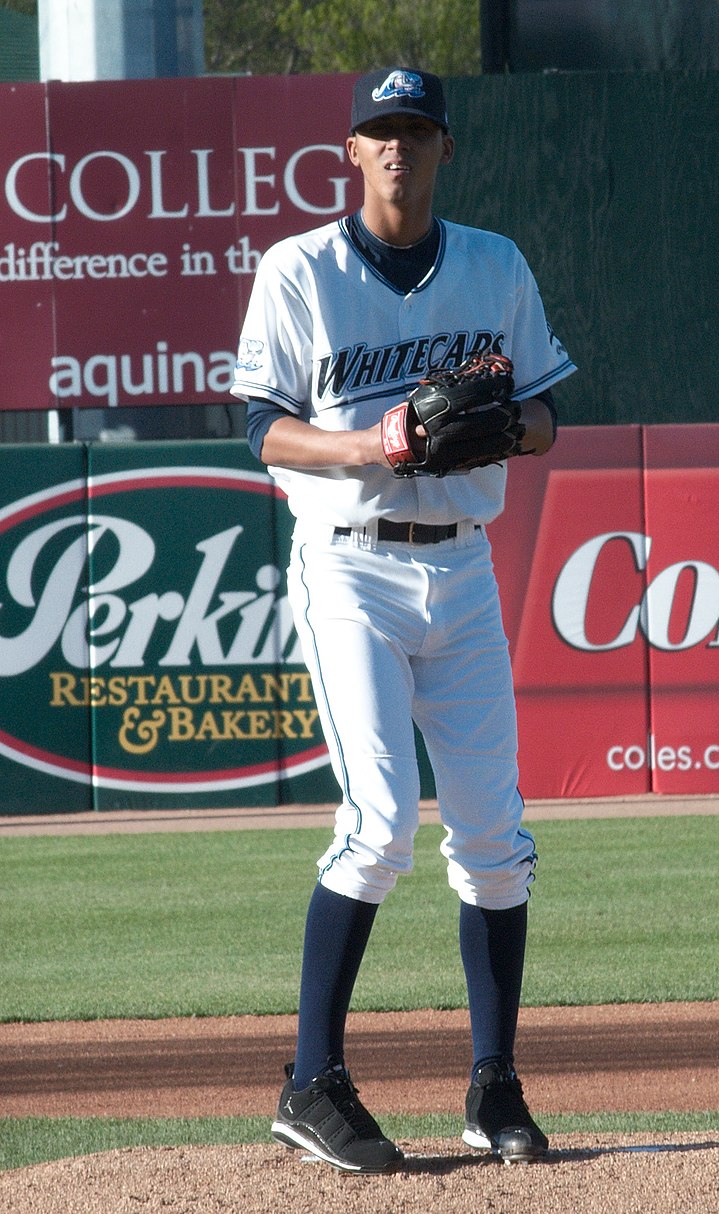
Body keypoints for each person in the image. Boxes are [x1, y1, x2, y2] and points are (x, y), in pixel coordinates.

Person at [232, 66, 576, 1175]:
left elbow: (543, 416)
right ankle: (310, 1081)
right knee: (378, 821)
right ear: (349, 149)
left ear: (441, 148)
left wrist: (502, 429)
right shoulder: (299, 269)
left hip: (463, 571)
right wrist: (376, 444)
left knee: (495, 841)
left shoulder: (493, 263)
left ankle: (493, 1083)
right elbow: (264, 430)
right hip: (349, 565)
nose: (396, 148)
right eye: (378, 131)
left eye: (414, 131)